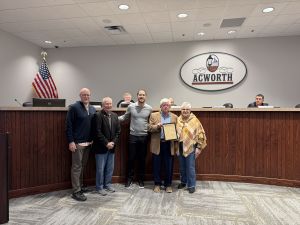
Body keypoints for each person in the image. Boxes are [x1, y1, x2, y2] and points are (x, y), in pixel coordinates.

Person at [66, 88, 96, 201]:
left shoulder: (93, 109)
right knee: (76, 167)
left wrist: (92, 139)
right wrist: (71, 141)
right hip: (77, 143)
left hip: (88, 143)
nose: (86, 97)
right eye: (84, 95)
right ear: (80, 96)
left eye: (88, 95)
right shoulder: (74, 107)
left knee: (82, 166)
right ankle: (76, 191)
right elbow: (69, 126)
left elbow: (93, 126)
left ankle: (81, 186)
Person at [119, 89, 152, 188]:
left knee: (142, 159)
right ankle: (129, 179)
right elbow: (124, 117)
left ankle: (141, 179)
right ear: (137, 96)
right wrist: (113, 118)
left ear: (145, 96)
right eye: (140, 95)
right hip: (133, 136)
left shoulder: (149, 108)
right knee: (131, 158)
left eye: (143, 95)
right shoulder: (131, 106)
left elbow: (151, 122)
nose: (141, 96)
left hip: (144, 136)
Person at [92, 97, 121, 196]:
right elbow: (97, 132)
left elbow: (118, 131)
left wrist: (113, 142)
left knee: (110, 168)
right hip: (101, 148)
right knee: (100, 169)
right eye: (106, 104)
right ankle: (99, 187)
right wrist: (106, 143)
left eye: (110, 104)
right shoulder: (98, 115)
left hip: (112, 147)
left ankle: (107, 184)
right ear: (102, 105)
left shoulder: (115, 115)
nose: (108, 105)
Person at [176, 102, 207, 194]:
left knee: (190, 167)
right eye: (183, 109)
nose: (185, 111)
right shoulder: (178, 120)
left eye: (187, 109)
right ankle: (183, 182)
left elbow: (201, 134)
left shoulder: (195, 120)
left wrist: (199, 147)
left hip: (191, 146)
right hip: (180, 146)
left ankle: (191, 185)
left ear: (190, 111)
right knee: (182, 167)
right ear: (181, 110)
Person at [148, 98, 178, 193]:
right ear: (160, 106)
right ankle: (157, 184)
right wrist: (157, 126)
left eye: (168, 105)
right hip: (158, 143)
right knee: (157, 165)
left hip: (169, 144)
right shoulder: (153, 115)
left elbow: (177, 130)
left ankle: (168, 185)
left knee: (169, 165)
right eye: (164, 105)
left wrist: (175, 134)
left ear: (170, 107)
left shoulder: (175, 117)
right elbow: (149, 127)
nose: (166, 106)